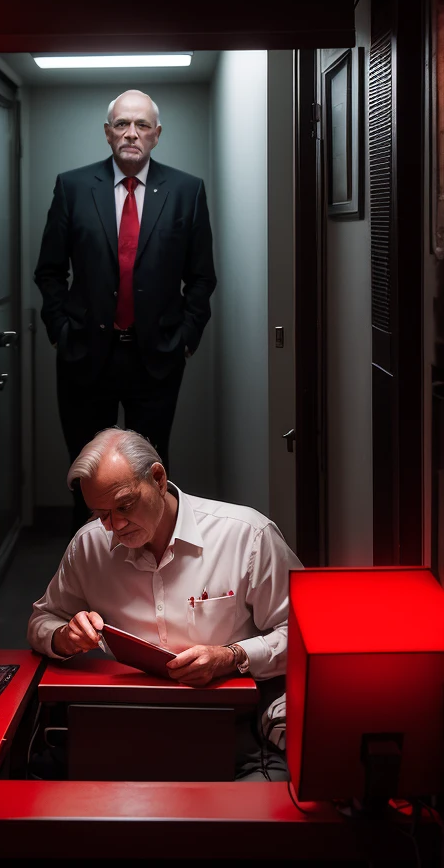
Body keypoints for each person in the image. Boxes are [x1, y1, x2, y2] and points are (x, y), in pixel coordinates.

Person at [27, 428, 303, 781]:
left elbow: (305, 635)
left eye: (124, 506)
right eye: (101, 513)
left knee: (267, 804)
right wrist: (63, 637)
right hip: (125, 723)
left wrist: (232, 656)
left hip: (228, 723)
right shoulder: (90, 545)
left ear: (157, 479)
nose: (116, 526)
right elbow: (42, 619)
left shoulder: (246, 536)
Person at [34, 90, 216, 528]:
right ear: (107, 133)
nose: (131, 133)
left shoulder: (186, 191)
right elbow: (50, 271)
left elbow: (201, 278)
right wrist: (60, 329)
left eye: (141, 125)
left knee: (149, 473)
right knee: (87, 471)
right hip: (84, 356)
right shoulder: (73, 187)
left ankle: (148, 569)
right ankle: (91, 569)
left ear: (156, 134)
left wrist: (185, 338)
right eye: (121, 124)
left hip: (156, 357)